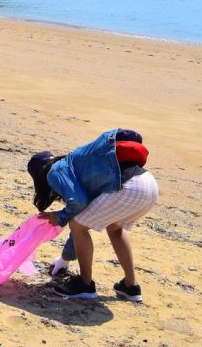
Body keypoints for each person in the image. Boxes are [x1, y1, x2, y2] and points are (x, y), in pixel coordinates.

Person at [27, 129, 158, 301]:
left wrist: (59, 216)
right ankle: (130, 287)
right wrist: (65, 259)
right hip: (149, 185)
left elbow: (78, 205)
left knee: (77, 225)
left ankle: (85, 284)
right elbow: (81, 217)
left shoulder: (54, 172)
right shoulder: (80, 168)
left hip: (127, 187)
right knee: (115, 229)